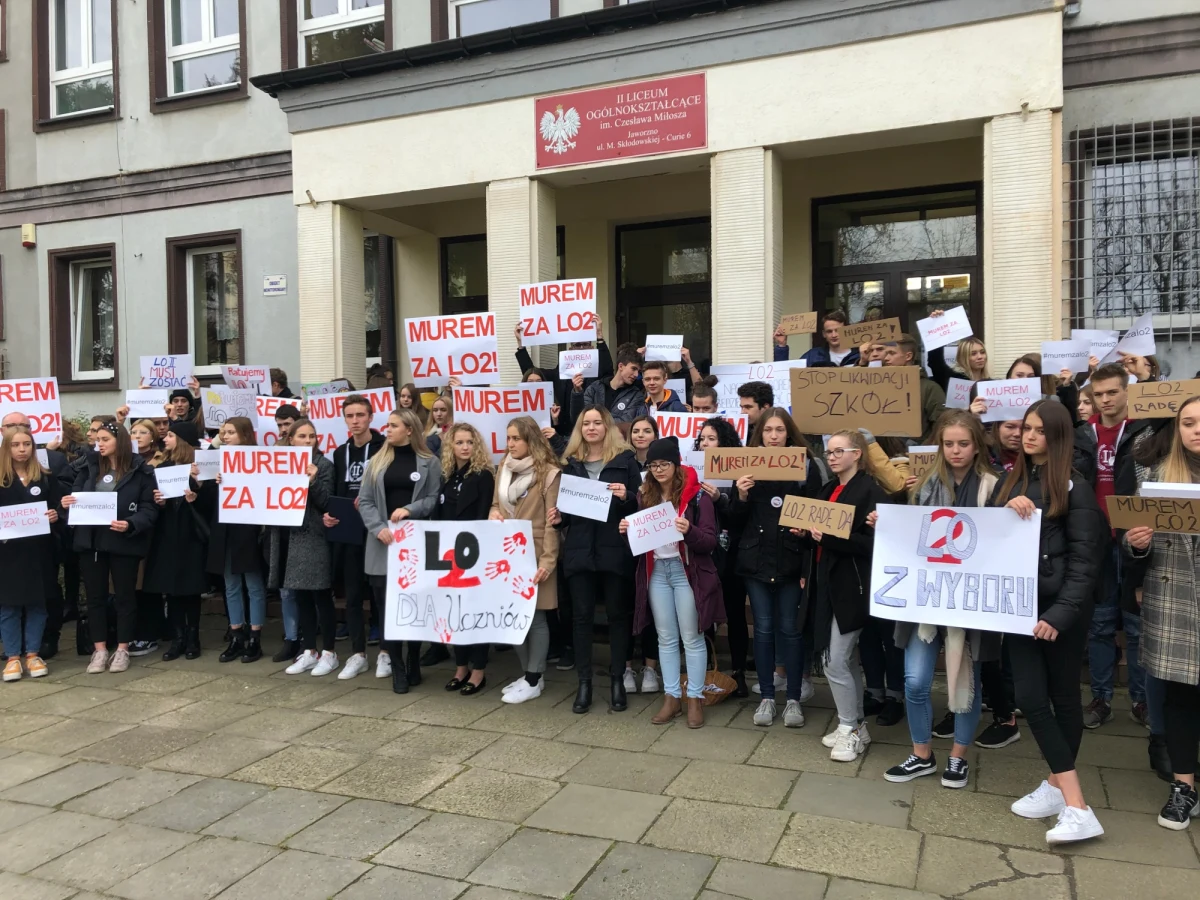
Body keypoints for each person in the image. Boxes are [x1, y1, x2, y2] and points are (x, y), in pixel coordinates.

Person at [990, 400, 1107, 844]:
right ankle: (1067, 794)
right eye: (1026, 428)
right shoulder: (1011, 479)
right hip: (1018, 607)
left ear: (1058, 436)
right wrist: (1007, 506)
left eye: (1039, 430)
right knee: (1031, 697)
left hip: (1062, 614)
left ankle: (1069, 799)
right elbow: (990, 535)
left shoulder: (1075, 487)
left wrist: (1058, 615)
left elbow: (1085, 561)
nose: (1029, 436)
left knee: (1062, 697)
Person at [883, 411, 999, 786]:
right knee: (914, 681)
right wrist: (884, 524)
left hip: (969, 602)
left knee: (966, 681)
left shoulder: (994, 487)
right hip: (926, 599)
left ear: (977, 445)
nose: (955, 451)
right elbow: (909, 535)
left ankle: (958, 757)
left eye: (963, 443)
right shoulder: (924, 485)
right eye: (948, 444)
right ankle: (922, 754)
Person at [1124, 396, 1200, 829]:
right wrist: (1137, 542)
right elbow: (1132, 544)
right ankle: (1184, 787)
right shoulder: (1155, 477)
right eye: (1187, 422)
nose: (1195, 429)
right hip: (1176, 602)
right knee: (1180, 699)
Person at [548, 405, 643, 713]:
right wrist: (558, 518)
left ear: (607, 427)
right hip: (579, 550)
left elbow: (642, 504)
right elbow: (568, 514)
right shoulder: (571, 463)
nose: (591, 427)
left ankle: (617, 680)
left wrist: (627, 497)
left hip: (614, 549)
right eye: (585, 423)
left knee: (618, 616)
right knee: (581, 618)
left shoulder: (625, 460)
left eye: (596, 423)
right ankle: (585, 683)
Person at [801, 430, 888, 760]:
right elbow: (818, 537)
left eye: (839, 451)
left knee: (836, 659)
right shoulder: (828, 489)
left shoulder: (870, 490)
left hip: (853, 586)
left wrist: (830, 538)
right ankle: (852, 725)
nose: (832, 456)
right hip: (827, 584)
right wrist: (806, 534)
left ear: (858, 454)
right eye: (828, 452)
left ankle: (850, 728)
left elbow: (873, 544)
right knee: (845, 659)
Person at [731, 408, 821, 727]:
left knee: (790, 630)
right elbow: (734, 521)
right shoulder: (747, 467)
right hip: (756, 562)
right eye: (768, 430)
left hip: (790, 560)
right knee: (764, 630)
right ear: (760, 434)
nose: (773, 436)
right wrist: (740, 495)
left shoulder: (805, 467)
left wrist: (805, 533)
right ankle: (767, 697)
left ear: (788, 434)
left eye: (779, 430)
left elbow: (816, 515)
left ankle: (793, 698)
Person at [1074, 362, 1152, 729]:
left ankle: (1141, 700)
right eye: (1098, 394)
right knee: (1101, 625)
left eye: (1111, 393)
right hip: (1096, 541)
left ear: (1127, 391)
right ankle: (1101, 698)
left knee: (1137, 625)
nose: (1104, 400)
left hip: (1134, 539)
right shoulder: (1081, 435)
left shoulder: (1146, 432)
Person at [625, 437, 722, 728]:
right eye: (653, 465)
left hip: (685, 572)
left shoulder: (696, 496)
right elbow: (642, 539)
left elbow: (709, 540)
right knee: (665, 638)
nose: (658, 470)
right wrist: (626, 530)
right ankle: (671, 697)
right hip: (657, 572)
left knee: (691, 637)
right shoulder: (645, 495)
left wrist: (689, 530)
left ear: (676, 463)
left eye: (663, 463)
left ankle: (694, 697)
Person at [63, 421, 159, 674]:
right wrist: (69, 502)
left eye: (105, 439)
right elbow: (75, 494)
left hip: (123, 542)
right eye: (98, 439)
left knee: (124, 597)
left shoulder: (141, 471)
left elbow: (150, 508)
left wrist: (130, 524)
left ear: (121, 441)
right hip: (91, 542)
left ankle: (123, 648)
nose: (99, 443)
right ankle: (100, 649)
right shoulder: (88, 467)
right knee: (94, 598)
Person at [357, 408, 442, 694]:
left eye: (393, 425)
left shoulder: (430, 462)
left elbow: (432, 499)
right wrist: (377, 527)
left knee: (413, 607)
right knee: (387, 609)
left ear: (409, 429)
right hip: (383, 544)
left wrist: (410, 509)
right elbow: (364, 500)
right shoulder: (376, 462)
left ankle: (413, 659)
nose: (387, 429)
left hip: (413, 546)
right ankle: (397, 667)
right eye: (388, 425)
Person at [492, 417, 562, 704]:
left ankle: (534, 677)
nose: (511, 444)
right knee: (511, 617)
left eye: (516, 439)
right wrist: (493, 512)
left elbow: (552, 523)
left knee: (536, 617)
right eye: (508, 438)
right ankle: (529, 674)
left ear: (530, 439)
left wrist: (547, 561)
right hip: (505, 554)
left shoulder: (549, 473)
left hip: (535, 552)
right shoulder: (503, 467)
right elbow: (497, 503)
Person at [323, 394, 388, 678]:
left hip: (375, 527)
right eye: (350, 416)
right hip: (348, 528)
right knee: (351, 593)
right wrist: (328, 513)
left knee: (378, 591)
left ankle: (386, 651)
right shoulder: (339, 452)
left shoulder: (384, 447)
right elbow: (336, 490)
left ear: (371, 417)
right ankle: (358, 653)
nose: (355, 421)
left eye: (360, 415)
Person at [270, 420, 338, 676]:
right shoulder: (280, 464)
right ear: (291, 440)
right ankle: (309, 650)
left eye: (312, 436)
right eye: (302, 436)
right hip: (289, 535)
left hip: (314, 537)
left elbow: (327, 502)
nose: (308, 441)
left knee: (321, 595)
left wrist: (312, 481)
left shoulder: (324, 465)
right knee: (301, 596)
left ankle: (329, 652)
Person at [144, 422, 211, 661]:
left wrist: (198, 492)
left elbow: (211, 507)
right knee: (171, 591)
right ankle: (178, 638)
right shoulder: (163, 467)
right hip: (168, 536)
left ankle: (193, 638)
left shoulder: (198, 469)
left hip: (190, 536)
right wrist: (159, 503)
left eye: (171, 435)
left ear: (181, 440)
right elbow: (153, 504)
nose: (166, 438)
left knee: (190, 591)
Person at [0, 425, 62, 681]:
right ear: (7, 448)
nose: (22, 449)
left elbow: (59, 506)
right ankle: (13, 657)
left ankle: (33, 654)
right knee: (8, 606)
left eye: (26, 444)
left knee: (38, 603)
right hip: (7, 554)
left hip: (39, 551)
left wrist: (56, 514)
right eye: (16, 445)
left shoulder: (45, 477)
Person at [438, 423, 496, 695]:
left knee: (475, 613)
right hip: (449, 555)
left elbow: (485, 513)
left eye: (469, 442)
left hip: (474, 553)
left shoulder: (483, 475)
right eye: (459, 442)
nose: (464, 447)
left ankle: (478, 670)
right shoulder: (448, 475)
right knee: (454, 613)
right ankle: (460, 666)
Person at [695, 416, 750, 696]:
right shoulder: (692, 470)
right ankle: (705, 672)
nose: (705, 443)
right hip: (702, 553)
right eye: (702, 439)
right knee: (703, 613)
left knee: (735, 614)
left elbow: (740, 517)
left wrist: (720, 498)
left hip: (731, 555)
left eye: (711, 438)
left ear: (725, 442)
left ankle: (738, 673)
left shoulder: (737, 472)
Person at [207, 416, 269, 664]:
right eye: (223, 432)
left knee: (253, 585)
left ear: (244, 434)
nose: (225, 436)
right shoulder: (217, 459)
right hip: (224, 529)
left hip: (249, 529)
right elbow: (207, 498)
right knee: (230, 585)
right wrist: (215, 482)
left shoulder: (259, 459)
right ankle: (236, 635)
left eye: (230, 432)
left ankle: (255, 637)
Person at [623, 415, 662, 693]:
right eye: (636, 431)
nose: (640, 435)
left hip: (657, 546)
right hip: (628, 548)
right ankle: (625, 668)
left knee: (653, 610)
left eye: (647, 430)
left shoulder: (664, 467)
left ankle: (651, 668)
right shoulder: (623, 463)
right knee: (626, 609)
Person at [882, 334, 946, 442]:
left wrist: (920, 450)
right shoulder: (881, 386)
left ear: (908, 356)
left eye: (892, 353)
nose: (886, 358)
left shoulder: (930, 388)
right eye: (886, 353)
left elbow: (941, 426)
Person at [572, 343, 645, 424]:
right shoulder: (595, 388)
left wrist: (594, 420)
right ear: (621, 366)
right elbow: (579, 418)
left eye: (638, 371)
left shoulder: (636, 395)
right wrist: (577, 393)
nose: (636, 374)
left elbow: (625, 422)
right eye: (633, 369)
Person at [783, 310, 860, 367]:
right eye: (829, 331)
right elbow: (785, 373)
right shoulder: (812, 356)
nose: (834, 335)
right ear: (824, 334)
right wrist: (781, 345)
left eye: (838, 331)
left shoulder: (859, 355)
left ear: (846, 331)